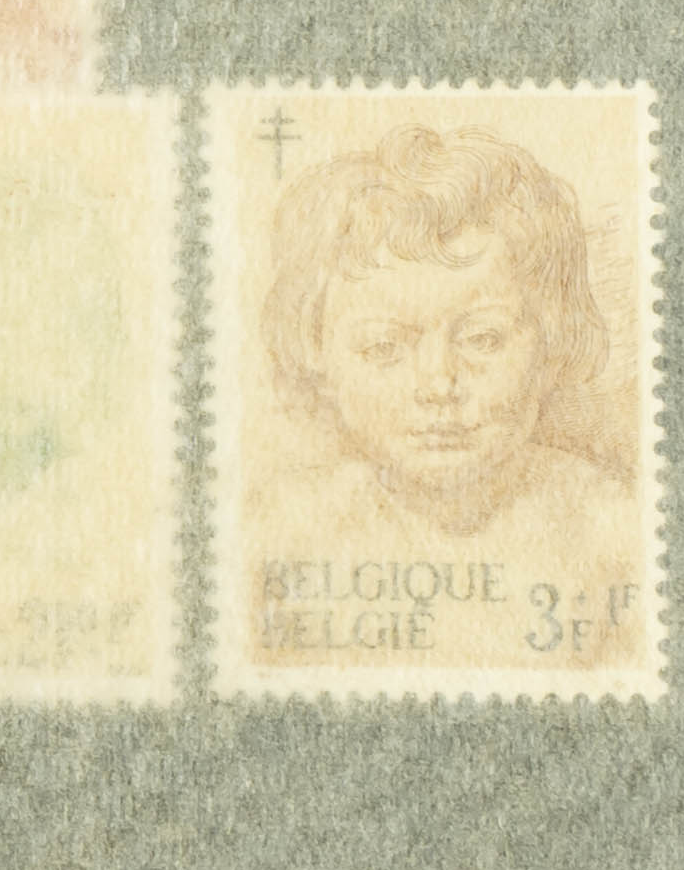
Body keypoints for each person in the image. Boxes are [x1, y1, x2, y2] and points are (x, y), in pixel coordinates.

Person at [244, 119, 643, 661]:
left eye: (483, 339)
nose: (438, 384)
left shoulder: (615, 533)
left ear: (552, 339)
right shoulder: (276, 533)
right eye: (384, 346)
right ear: (317, 350)